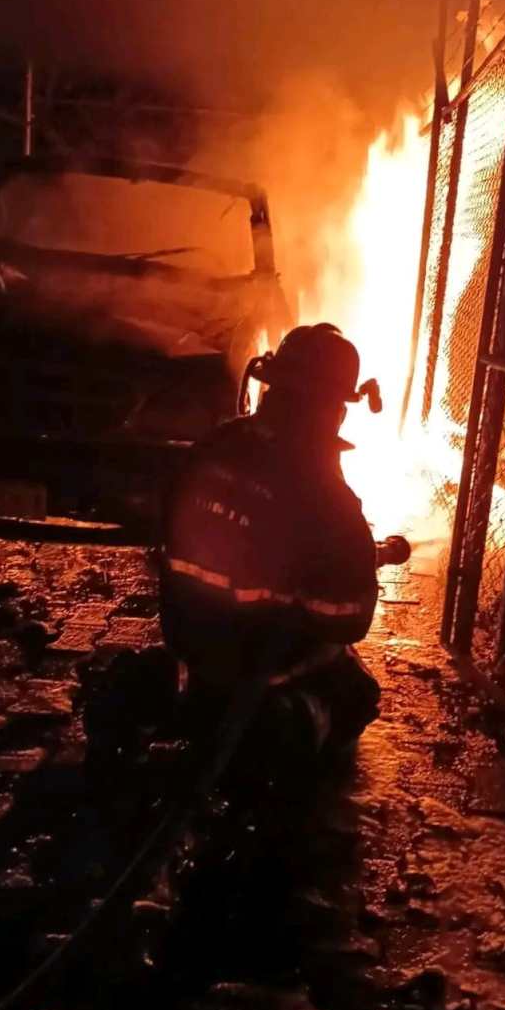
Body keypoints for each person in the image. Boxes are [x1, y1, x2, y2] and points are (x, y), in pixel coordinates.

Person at [158, 323, 384, 760]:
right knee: (358, 693)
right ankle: (289, 720)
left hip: (188, 638)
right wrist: (350, 567)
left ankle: (176, 693)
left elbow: (165, 541)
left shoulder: (207, 449)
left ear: (270, 388)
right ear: (334, 408)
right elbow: (346, 621)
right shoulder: (328, 495)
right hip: (261, 662)